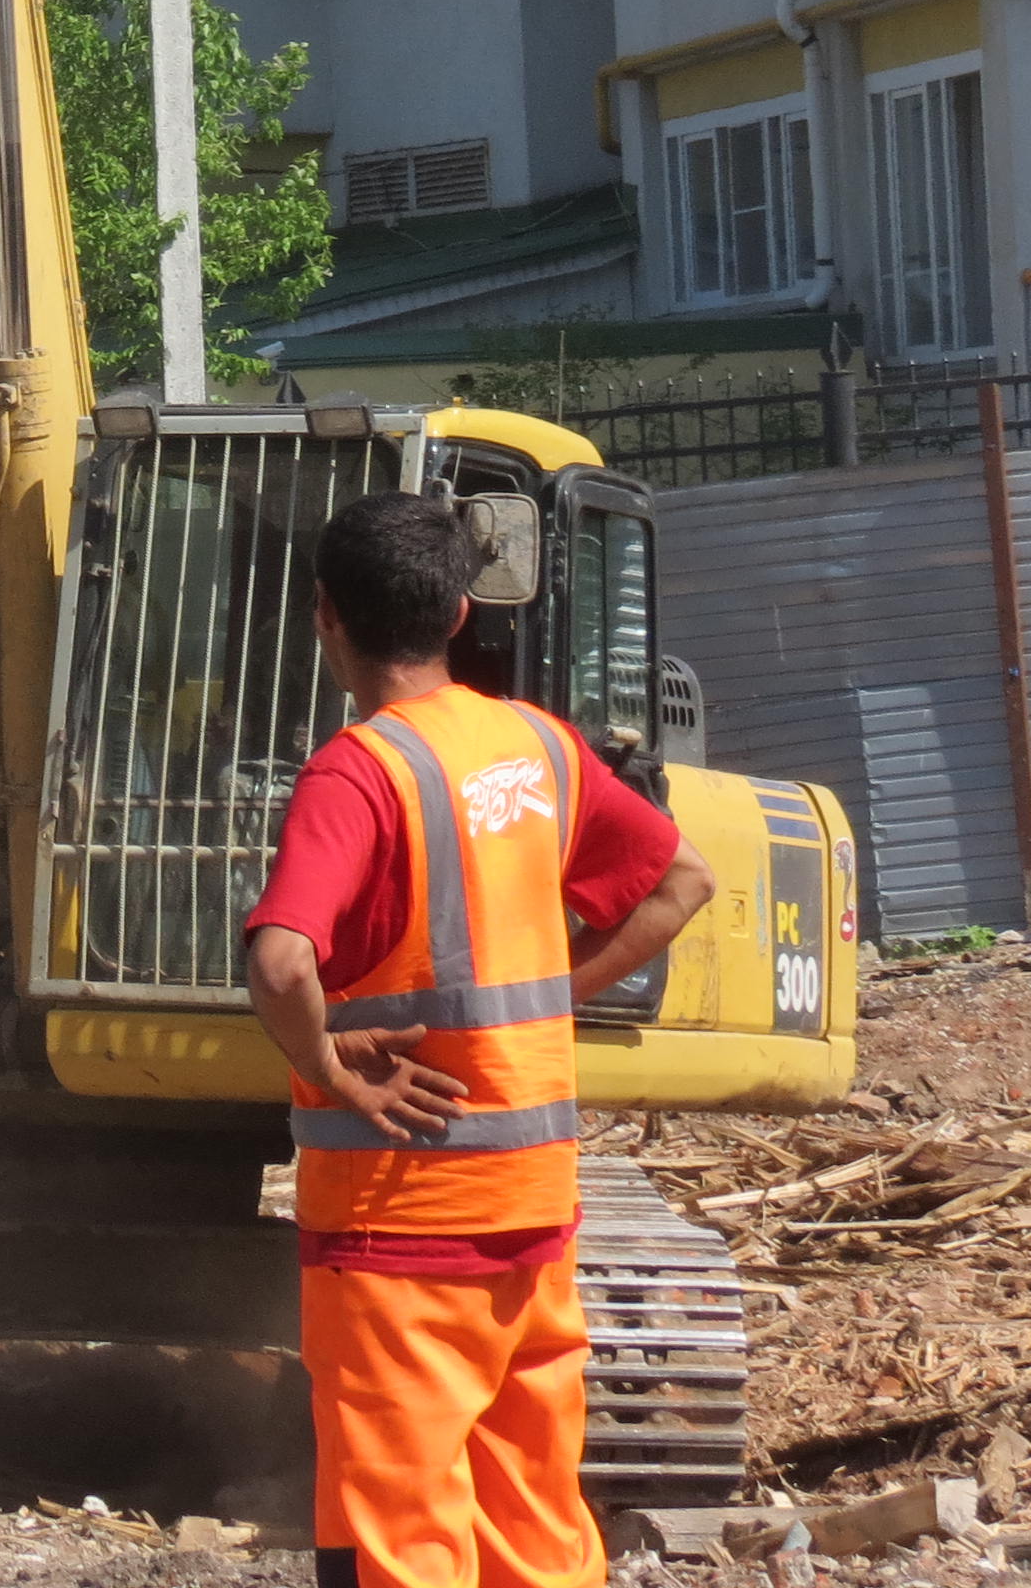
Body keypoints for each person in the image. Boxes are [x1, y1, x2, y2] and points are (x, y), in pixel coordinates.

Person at [241, 491, 718, 1588]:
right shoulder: (537, 745)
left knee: (396, 1540)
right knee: (530, 1528)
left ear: (325, 616)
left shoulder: (358, 771)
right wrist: (555, 992)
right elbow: (681, 879)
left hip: (397, 1227)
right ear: (461, 612)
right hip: (532, 1214)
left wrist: (320, 1065)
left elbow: (279, 962)